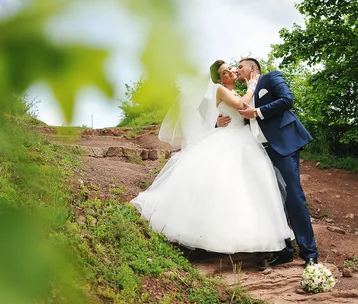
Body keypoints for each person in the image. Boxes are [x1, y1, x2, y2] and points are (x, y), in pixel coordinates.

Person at [130, 60, 294, 255]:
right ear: (218, 79)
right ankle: (205, 237)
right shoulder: (220, 89)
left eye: (231, 69)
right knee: (222, 186)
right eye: (225, 72)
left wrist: (222, 117)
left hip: (245, 139)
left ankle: (246, 234)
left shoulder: (235, 91)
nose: (231, 72)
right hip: (230, 140)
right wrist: (251, 86)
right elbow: (242, 106)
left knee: (248, 187)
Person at [217, 58, 318, 267]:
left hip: (282, 146)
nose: (236, 70)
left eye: (240, 66)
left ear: (252, 68)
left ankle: (309, 253)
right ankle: (284, 250)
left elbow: (287, 100)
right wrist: (218, 123)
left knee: (293, 196)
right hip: (258, 152)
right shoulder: (245, 94)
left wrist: (258, 112)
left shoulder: (271, 78)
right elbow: (236, 120)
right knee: (272, 201)